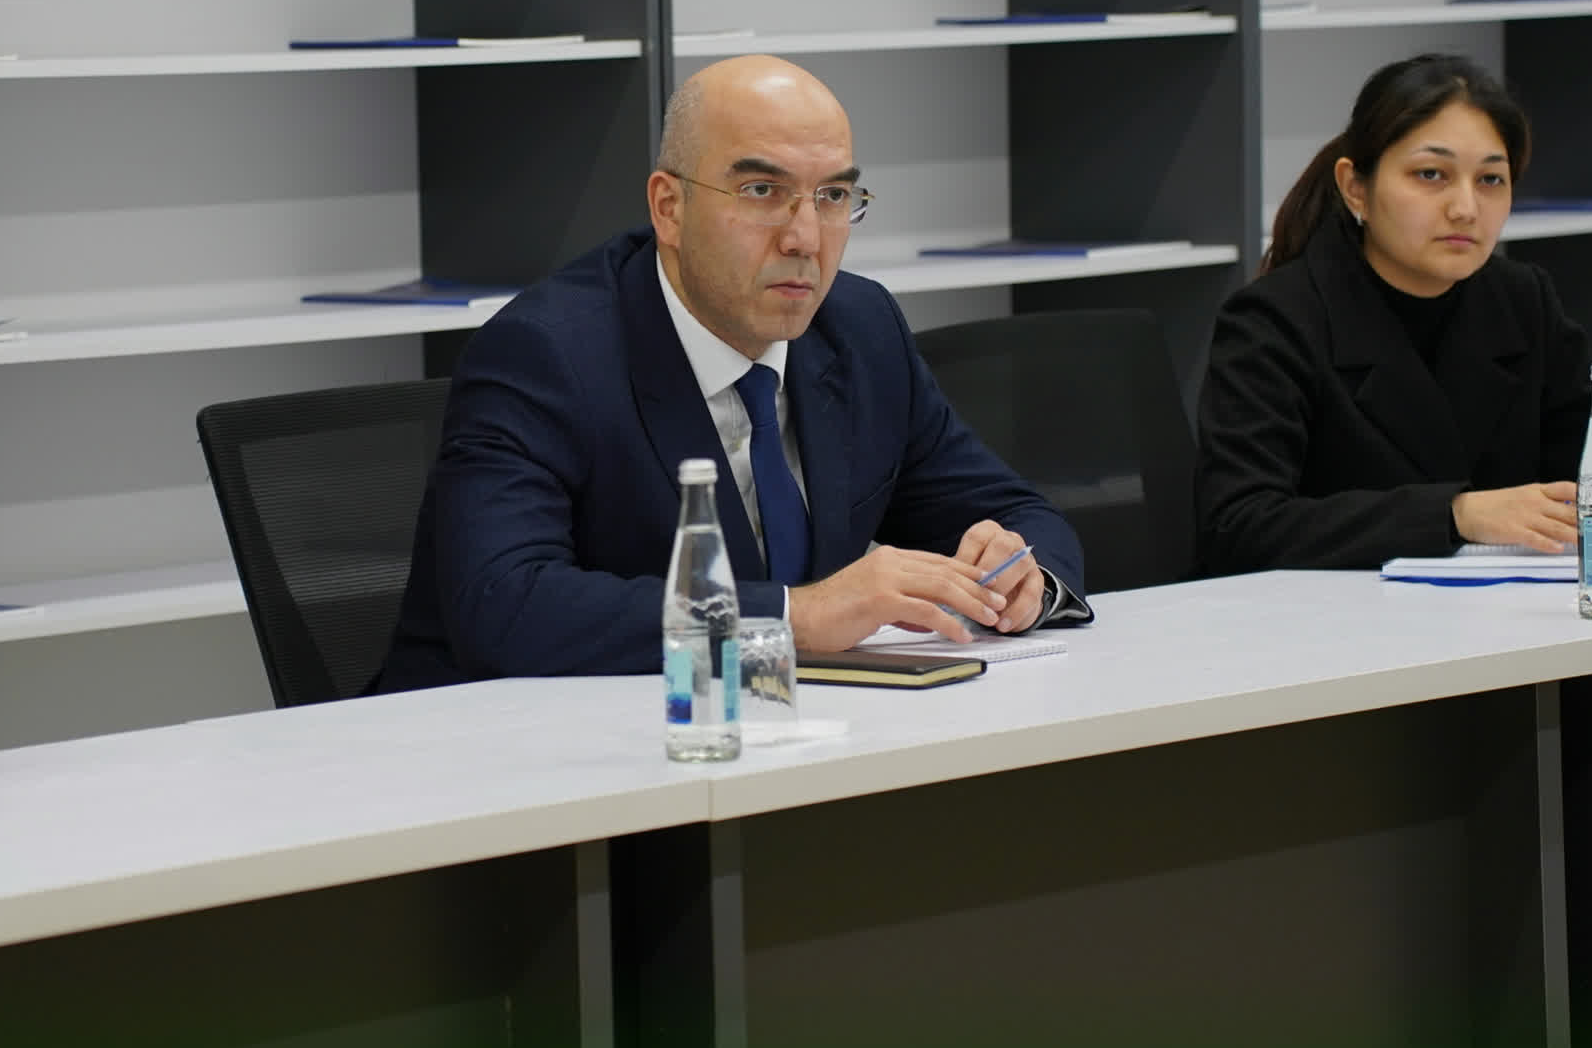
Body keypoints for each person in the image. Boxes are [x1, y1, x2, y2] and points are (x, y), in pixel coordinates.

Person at [376, 54, 1090, 693]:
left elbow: (1017, 515)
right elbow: (505, 604)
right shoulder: (546, 354)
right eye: (761, 192)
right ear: (670, 207)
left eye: (833, 197)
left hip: (779, 728)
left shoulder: (860, 328)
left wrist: (1020, 578)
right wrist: (794, 615)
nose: (804, 238)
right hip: (501, 757)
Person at [1196, 53, 1592, 574]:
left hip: (1505, 608)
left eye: (1490, 180)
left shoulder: (1520, 300)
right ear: (1355, 187)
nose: (1465, 208)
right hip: (1329, 617)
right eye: (1431, 174)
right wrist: (1456, 515)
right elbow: (1238, 525)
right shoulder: (1275, 319)